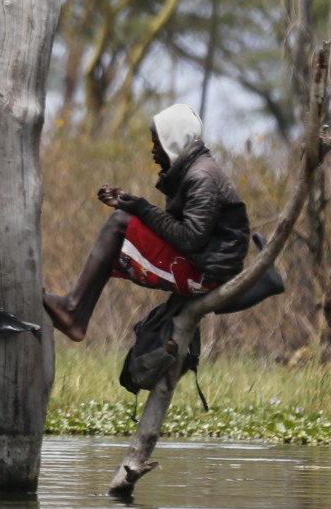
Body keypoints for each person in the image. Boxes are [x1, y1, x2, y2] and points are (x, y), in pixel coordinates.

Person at [42, 103, 281, 340]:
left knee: (119, 223)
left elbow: (190, 238)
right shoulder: (190, 170)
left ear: (173, 140)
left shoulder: (201, 177)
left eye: (157, 141)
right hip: (204, 265)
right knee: (123, 223)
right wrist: (132, 204)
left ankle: (73, 310)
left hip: (206, 275)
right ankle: (76, 315)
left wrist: (140, 208)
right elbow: (180, 229)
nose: (153, 149)